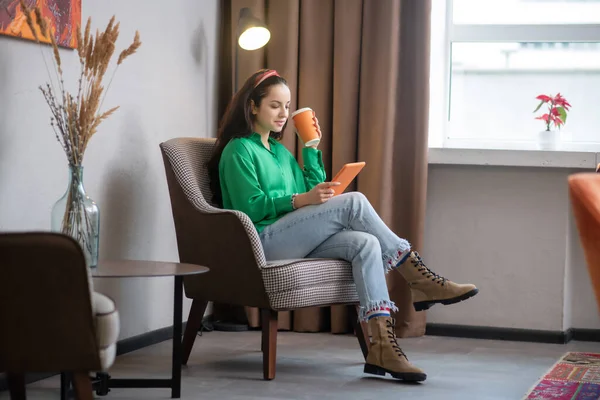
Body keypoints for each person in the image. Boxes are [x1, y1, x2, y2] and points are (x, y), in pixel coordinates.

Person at [207, 69, 479, 382]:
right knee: (354, 202)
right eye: (274, 105)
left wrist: (310, 147)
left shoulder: (281, 152)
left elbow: (313, 191)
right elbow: (248, 208)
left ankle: (382, 348)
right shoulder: (239, 149)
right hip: (261, 241)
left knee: (367, 243)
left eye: (287, 105)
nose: (283, 113)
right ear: (252, 107)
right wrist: (298, 201)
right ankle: (417, 276)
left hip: (291, 237)